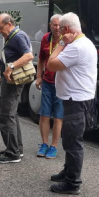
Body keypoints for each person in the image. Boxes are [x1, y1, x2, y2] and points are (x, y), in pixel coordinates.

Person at [46, 12, 97, 195]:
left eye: (59, 29)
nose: (57, 32)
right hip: (76, 99)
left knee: (73, 142)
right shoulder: (83, 43)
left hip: (76, 100)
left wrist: (60, 43)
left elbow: (50, 65)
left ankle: (72, 182)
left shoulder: (76, 47)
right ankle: (68, 171)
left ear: (66, 29)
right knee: (69, 139)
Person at [0, 13, 34, 164]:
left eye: (0, 27)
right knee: (12, 115)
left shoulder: (18, 36)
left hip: (13, 82)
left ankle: (12, 153)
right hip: (10, 80)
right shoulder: (15, 35)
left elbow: (29, 56)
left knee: (6, 116)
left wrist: (10, 66)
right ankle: (17, 149)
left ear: (9, 23)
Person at [35, 14, 63, 159]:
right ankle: (44, 143)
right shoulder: (46, 38)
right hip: (47, 82)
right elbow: (41, 60)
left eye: (59, 25)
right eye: (54, 25)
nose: (57, 27)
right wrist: (39, 76)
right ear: (50, 25)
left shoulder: (66, 40)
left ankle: (54, 146)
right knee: (44, 114)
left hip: (61, 84)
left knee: (58, 116)